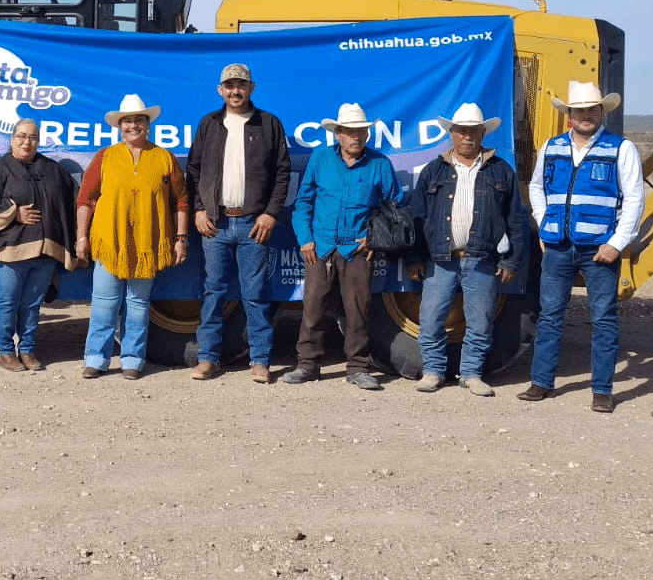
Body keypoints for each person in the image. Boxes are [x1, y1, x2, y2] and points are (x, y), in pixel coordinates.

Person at [519, 81, 645, 412]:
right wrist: (546, 225)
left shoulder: (622, 149)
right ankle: (541, 382)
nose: (585, 115)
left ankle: (602, 390)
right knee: (549, 316)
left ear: (601, 112)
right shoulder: (552, 147)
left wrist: (617, 243)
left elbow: (634, 199)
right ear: (569, 115)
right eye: (579, 110)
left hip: (600, 251)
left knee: (603, 318)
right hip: (558, 247)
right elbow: (537, 186)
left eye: (592, 109)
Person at [407, 102, 530, 396]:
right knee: (432, 318)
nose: (467, 137)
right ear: (452, 133)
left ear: (481, 134)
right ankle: (433, 371)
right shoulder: (433, 171)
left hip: (482, 260)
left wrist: (511, 261)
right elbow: (416, 216)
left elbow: (516, 219)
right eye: (461, 131)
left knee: (481, 320)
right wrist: (413, 258)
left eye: (473, 131)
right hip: (440, 259)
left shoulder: (502, 171)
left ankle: (472, 374)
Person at [186, 63, 291, 384]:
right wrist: (199, 209)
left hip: (253, 225)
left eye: (241, 85)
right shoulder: (209, 124)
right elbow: (194, 170)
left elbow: (282, 172)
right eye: (229, 86)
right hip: (214, 224)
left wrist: (271, 213)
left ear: (251, 88)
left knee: (256, 293)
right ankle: (208, 358)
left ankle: (260, 360)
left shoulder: (269, 124)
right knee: (214, 292)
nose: (235, 91)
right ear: (221, 90)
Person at [285, 102, 401, 389]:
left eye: (361, 132)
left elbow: (394, 207)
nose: (356, 137)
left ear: (368, 134)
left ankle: (358, 368)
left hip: (358, 249)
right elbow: (303, 203)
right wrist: (306, 239)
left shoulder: (380, 164)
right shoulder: (320, 159)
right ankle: (308, 365)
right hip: (321, 246)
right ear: (337, 133)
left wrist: (375, 238)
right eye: (349, 132)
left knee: (358, 309)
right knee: (312, 308)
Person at [75, 95, 190, 380]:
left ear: (148, 124)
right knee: (104, 303)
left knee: (138, 307)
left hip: (147, 245)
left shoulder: (164, 158)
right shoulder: (105, 157)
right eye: (128, 121)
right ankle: (96, 358)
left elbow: (182, 201)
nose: (133, 125)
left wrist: (181, 238)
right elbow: (85, 199)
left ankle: (132, 360)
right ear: (119, 126)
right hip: (108, 243)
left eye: (139, 120)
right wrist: (81, 237)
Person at [0, 119, 80, 372]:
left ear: (38, 141)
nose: (26, 142)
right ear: (12, 139)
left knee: (31, 304)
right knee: (7, 302)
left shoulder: (52, 169)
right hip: (8, 252)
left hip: (44, 252)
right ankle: (6, 351)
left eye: (32, 137)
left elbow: (71, 199)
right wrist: (13, 212)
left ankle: (28, 349)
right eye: (21, 136)